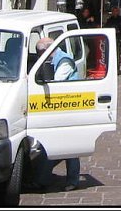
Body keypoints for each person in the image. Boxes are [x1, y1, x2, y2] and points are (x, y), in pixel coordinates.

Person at [31, 37, 80, 191]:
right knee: (50, 144)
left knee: (71, 148)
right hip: (56, 108)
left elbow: (56, 80)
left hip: (68, 107)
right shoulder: (51, 59)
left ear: (48, 50)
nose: (38, 55)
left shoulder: (64, 60)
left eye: (39, 52)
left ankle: (72, 180)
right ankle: (42, 179)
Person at [103, 6, 121, 73]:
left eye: (116, 11)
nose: (115, 12)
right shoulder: (110, 19)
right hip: (111, 38)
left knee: (118, 53)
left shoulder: (120, 19)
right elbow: (106, 27)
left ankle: (117, 69)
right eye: (114, 11)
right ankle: (111, 68)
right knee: (111, 53)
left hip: (118, 38)